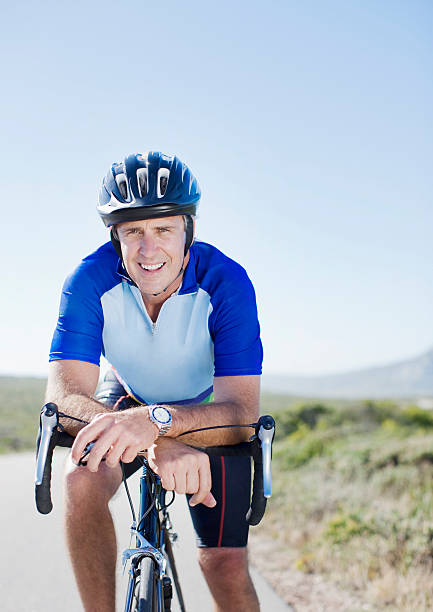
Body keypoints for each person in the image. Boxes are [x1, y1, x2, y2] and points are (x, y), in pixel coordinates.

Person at [46, 151, 263, 612]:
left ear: (188, 231)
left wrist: (158, 423)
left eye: (163, 229)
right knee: (81, 480)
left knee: (222, 562)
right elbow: (65, 396)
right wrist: (155, 444)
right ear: (115, 236)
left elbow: (241, 414)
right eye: (133, 232)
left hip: (206, 410)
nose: (149, 250)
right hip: (124, 399)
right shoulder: (88, 280)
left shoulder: (226, 282)